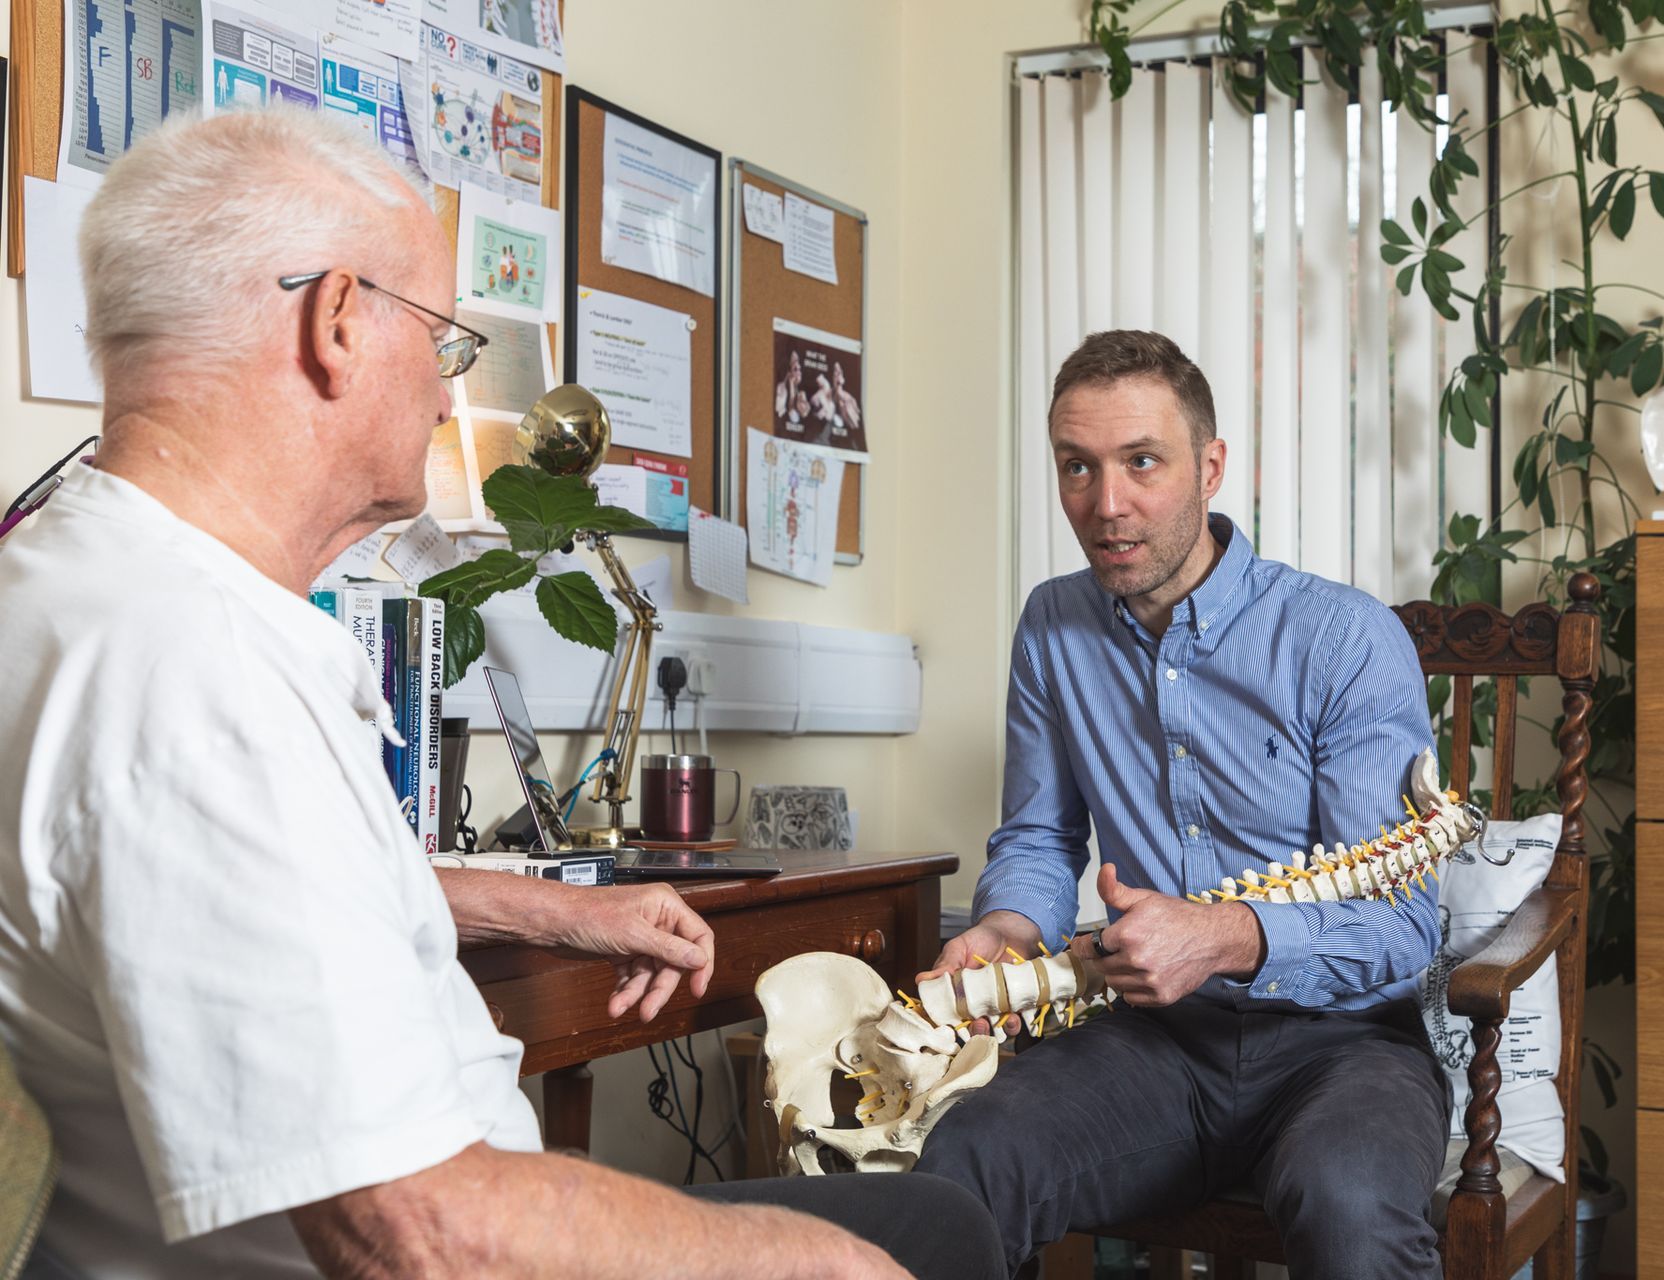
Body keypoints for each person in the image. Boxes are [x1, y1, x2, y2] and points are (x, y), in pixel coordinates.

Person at [0, 108, 999, 1280]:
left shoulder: (69, 581)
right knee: (902, 1244)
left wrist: (547, 907)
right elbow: (418, 1233)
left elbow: (230, 878)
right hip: (439, 1231)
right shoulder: (198, 668)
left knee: (941, 1220)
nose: (441, 398)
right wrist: (816, 1266)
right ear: (335, 324)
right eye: (442, 341)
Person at [913, 330, 1449, 1280]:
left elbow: (1402, 924)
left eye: (1141, 463)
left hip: (1345, 1048)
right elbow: (1040, 834)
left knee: (1352, 1209)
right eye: (1077, 467)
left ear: (1210, 467)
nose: (1105, 505)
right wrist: (1002, 930)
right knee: (965, 1158)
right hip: (1150, 1046)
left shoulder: (1345, 638)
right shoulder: (1052, 624)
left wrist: (1227, 936)